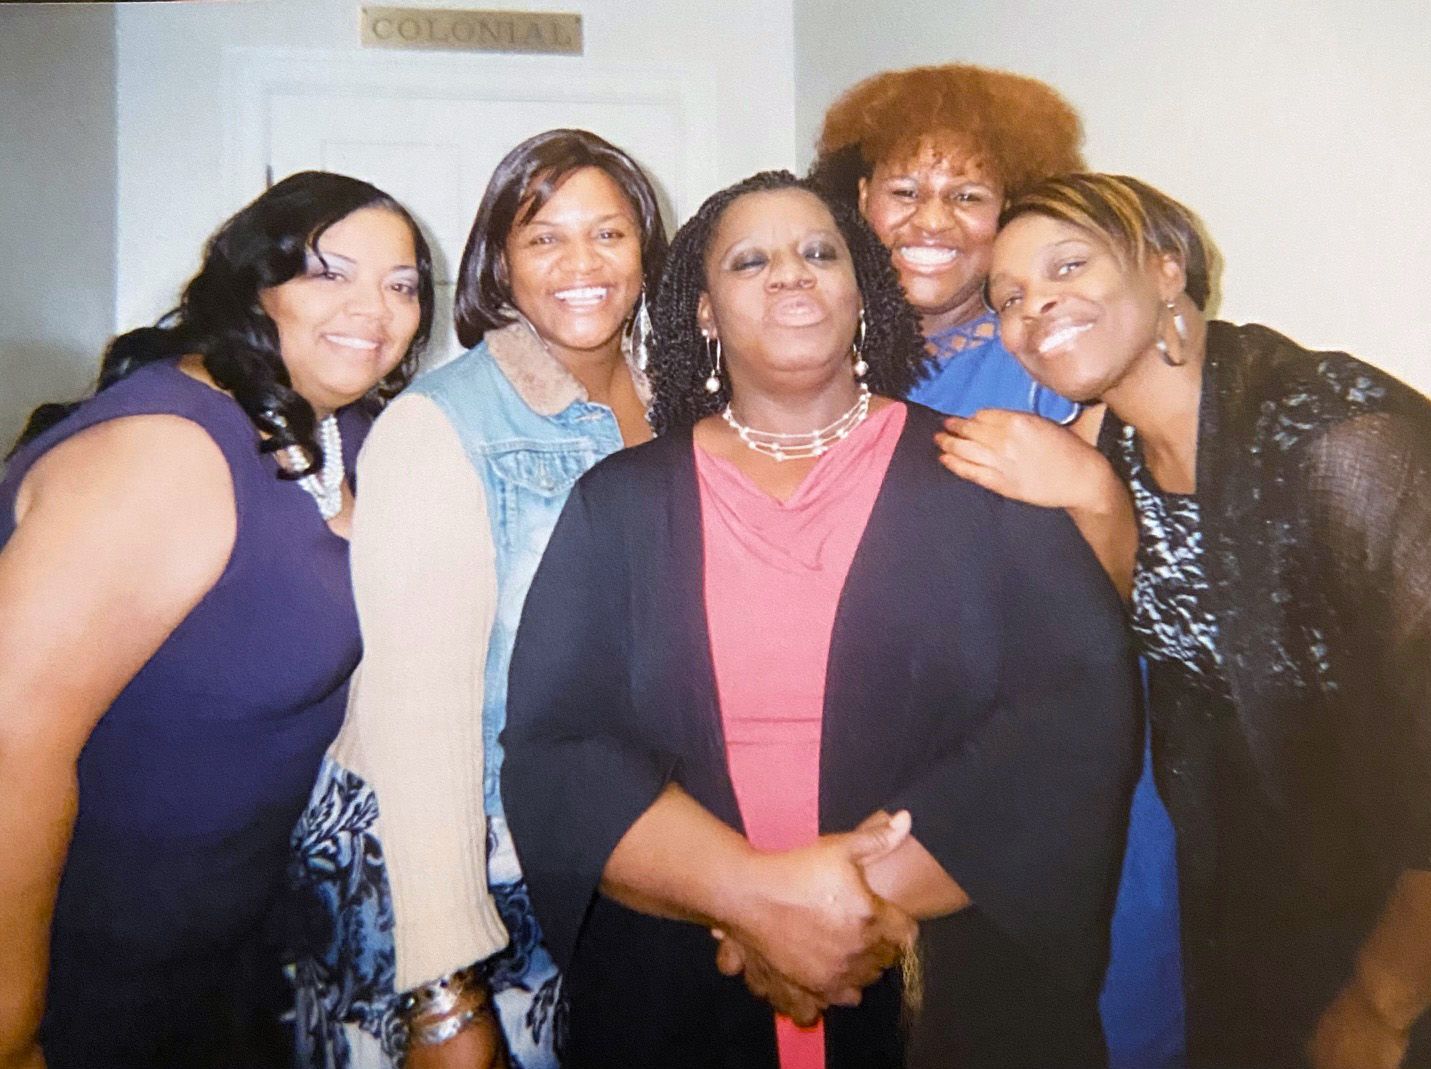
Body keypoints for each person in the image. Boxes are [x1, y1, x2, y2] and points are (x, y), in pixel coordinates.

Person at [501, 170, 1140, 1069]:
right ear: (705, 313)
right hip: (684, 979)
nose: (791, 273)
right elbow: (559, 748)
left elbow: (1070, 715)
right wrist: (752, 899)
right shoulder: (619, 504)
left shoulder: (981, 471)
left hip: (935, 974)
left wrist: (853, 905)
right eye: (749, 260)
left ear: (862, 294)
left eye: (818, 252)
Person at [944, 171, 1431, 1069]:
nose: (1033, 305)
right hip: (1261, 918)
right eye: (1008, 297)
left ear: (1167, 268)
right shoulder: (1111, 446)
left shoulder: (1341, 436)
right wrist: (1093, 498)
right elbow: (1143, 633)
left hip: (1429, 931)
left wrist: (1381, 1001)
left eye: (1068, 265)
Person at [0, 171, 434, 1069]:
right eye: (330, 273)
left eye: (401, 284)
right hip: (89, 965)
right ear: (253, 285)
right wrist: (10, 1025)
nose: (374, 308)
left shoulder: (340, 430)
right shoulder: (168, 450)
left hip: (223, 949)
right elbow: (12, 737)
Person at [814, 65, 1183, 1067]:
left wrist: (1092, 492)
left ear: (1005, 212)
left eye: (968, 193)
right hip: (880, 775)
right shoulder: (823, 358)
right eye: (904, 189)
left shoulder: (1051, 359)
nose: (931, 218)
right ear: (860, 198)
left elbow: (1123, 616)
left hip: (1045, 782)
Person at [288, 129, 668, 1069]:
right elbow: (416, 718)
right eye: (545, 237)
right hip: (447, 873)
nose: (582, 263)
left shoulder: (678, 407)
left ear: (645, 249)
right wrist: (444, 991)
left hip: (596, 850)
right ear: (501, 263)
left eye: (608, 233)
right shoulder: (440, 423)